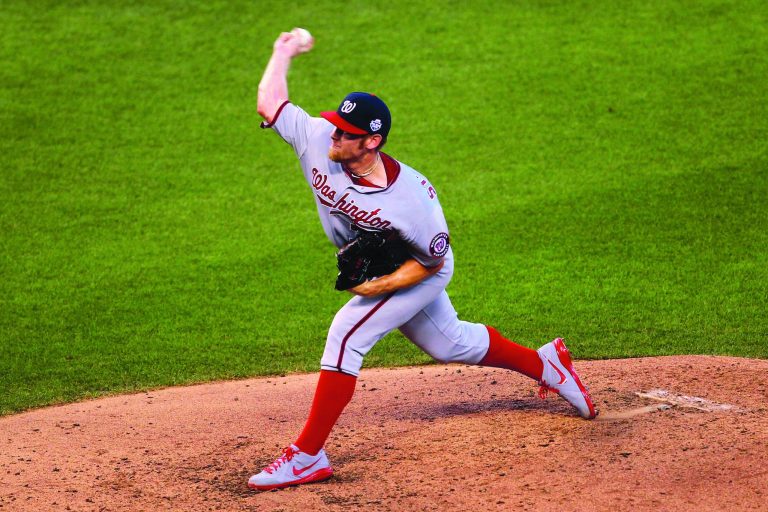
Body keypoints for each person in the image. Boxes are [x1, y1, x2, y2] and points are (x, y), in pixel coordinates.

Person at [247, 29, 597, 491]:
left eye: (346, 133)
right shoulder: (317, 139)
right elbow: (270, 102)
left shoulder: (413, 200)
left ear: (372, 142)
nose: (334, 133)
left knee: (345, 334)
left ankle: (308, 455)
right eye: (335, 124)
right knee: (450, 344)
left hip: (420, 268)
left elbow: (433, 262)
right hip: (391, 266)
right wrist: (283, 50)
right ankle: (548, 364)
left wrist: (380, 286)